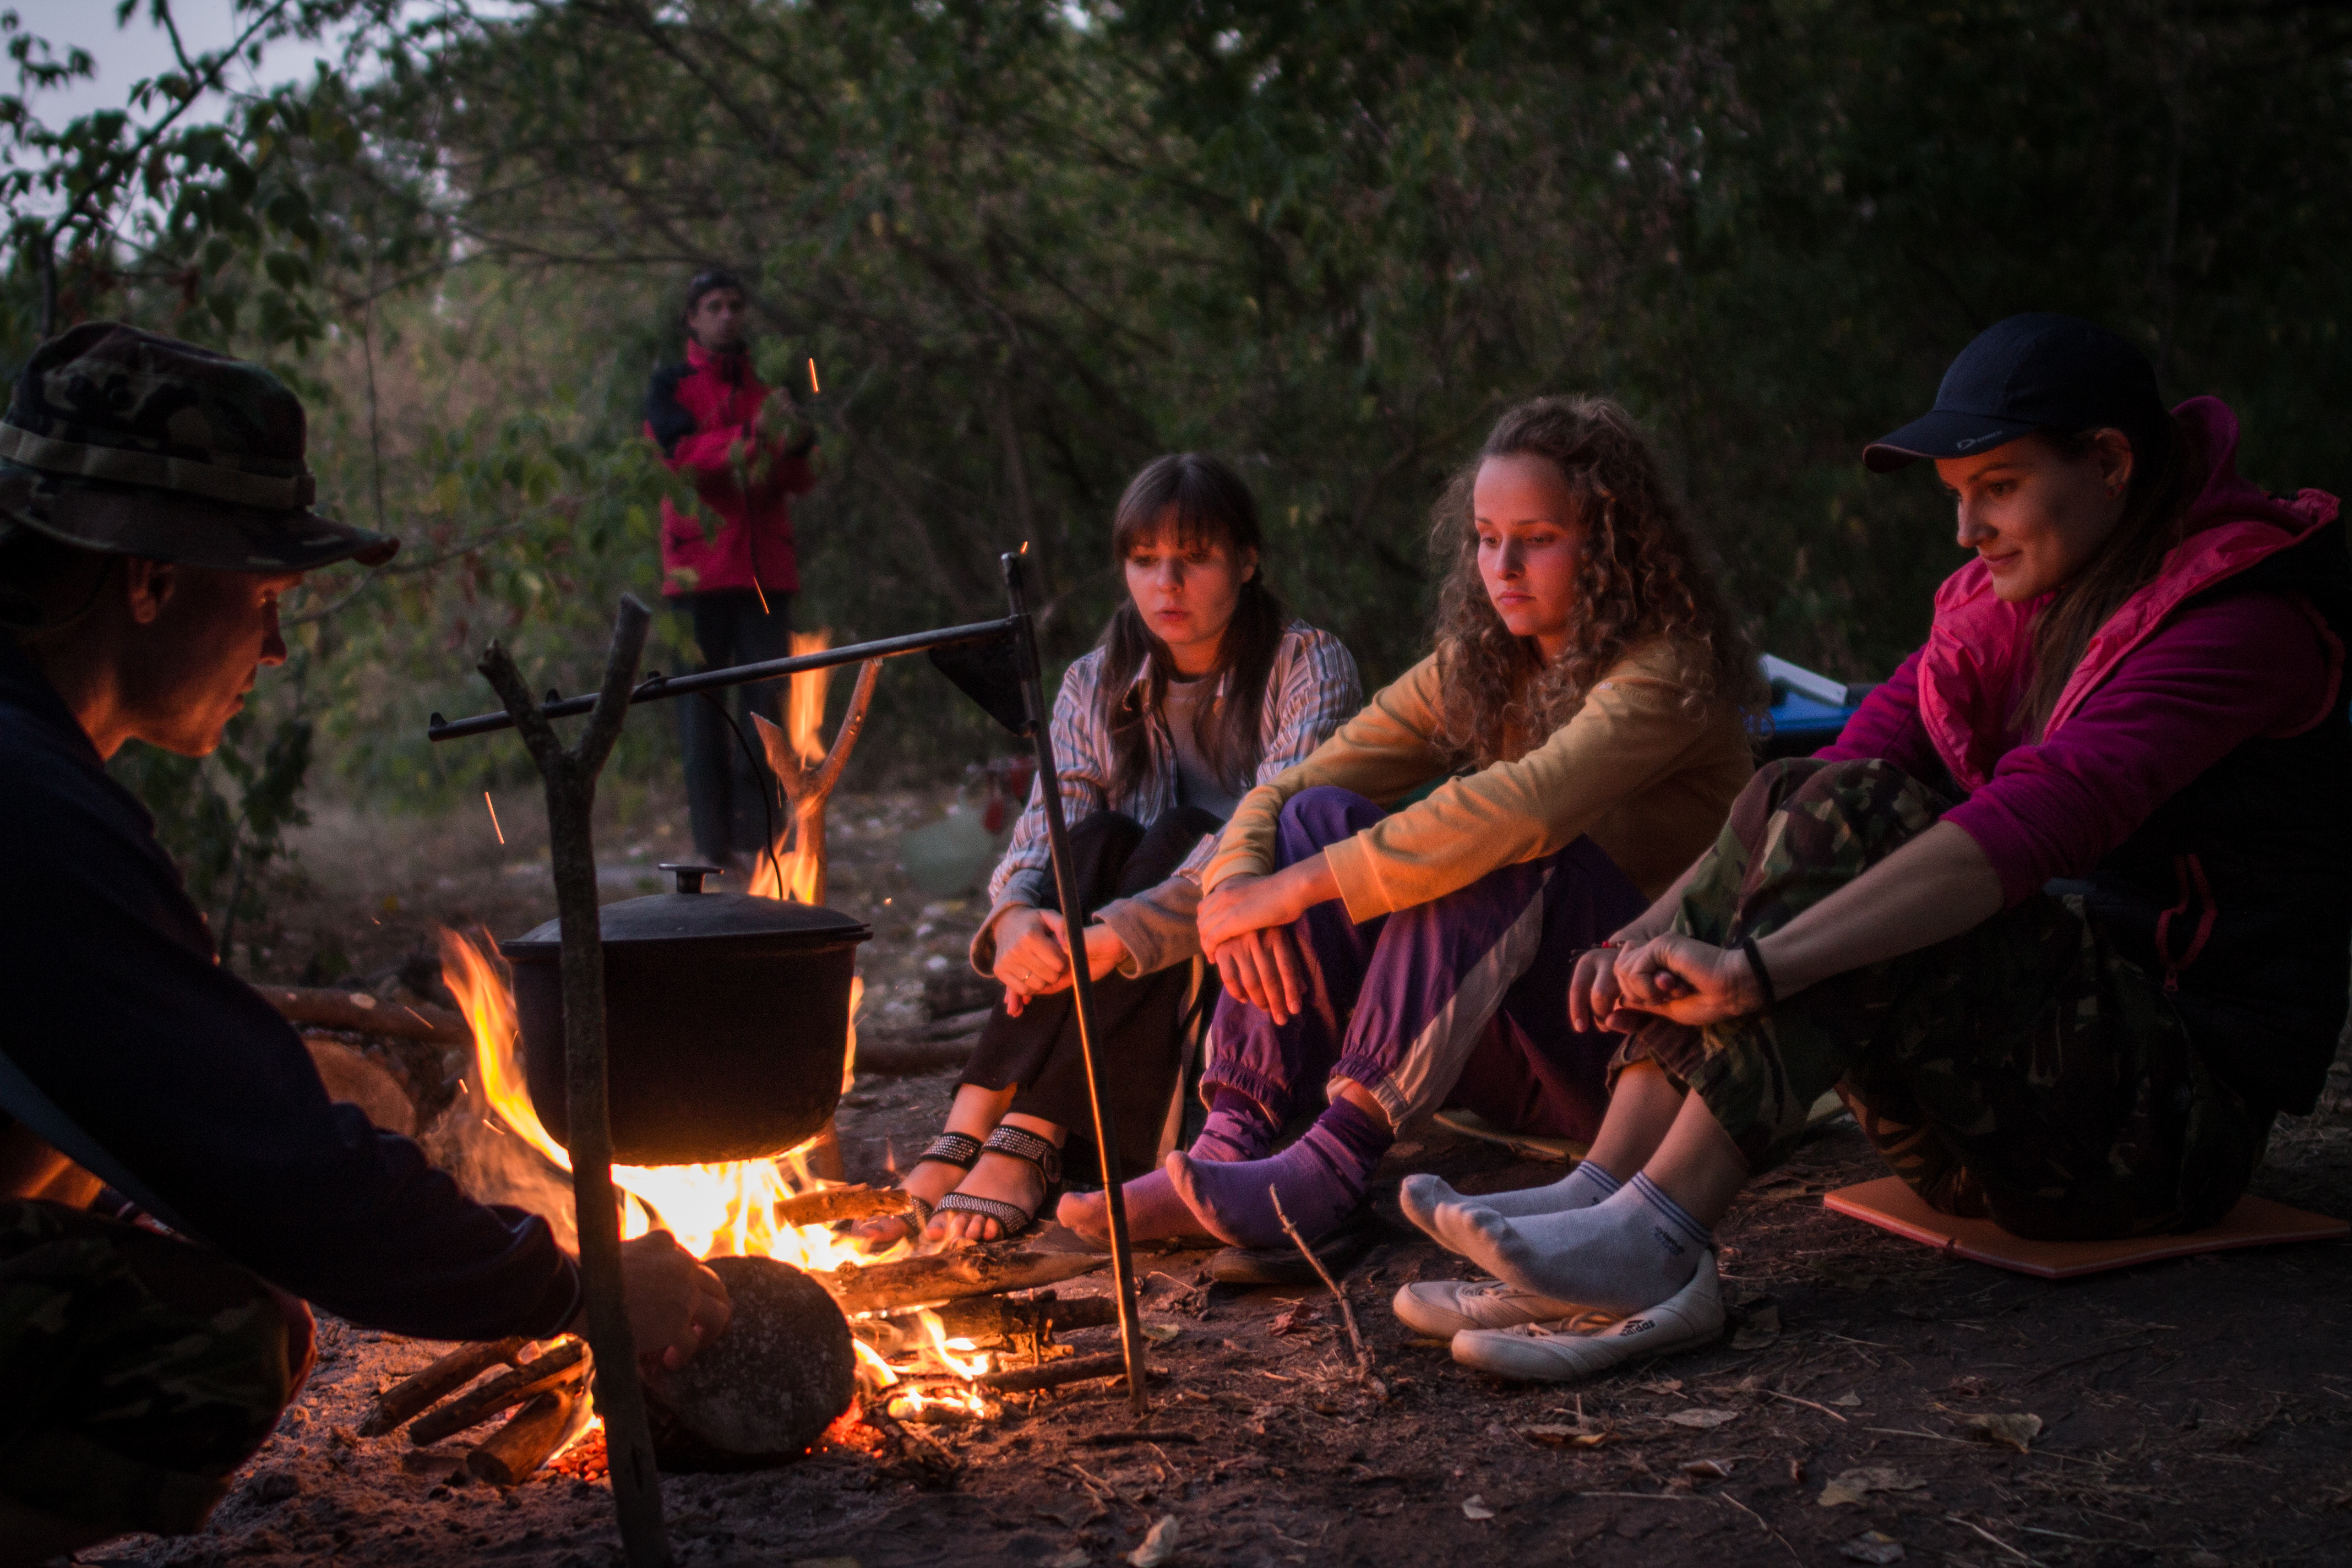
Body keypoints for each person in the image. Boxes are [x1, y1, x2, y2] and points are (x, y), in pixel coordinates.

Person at [1400, 314, 2351, 1382]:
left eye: (1996, 486)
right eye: (1956, 493)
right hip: (2011, 1121)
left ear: (2111, 463)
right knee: (1805, 789)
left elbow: (2039, 820)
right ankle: (1606, 1194)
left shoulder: (2242, 622)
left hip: (2167, 1135)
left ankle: (1659, 1231)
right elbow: (1817, 784)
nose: (1965, 528)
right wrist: (1650, 929)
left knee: (1862, 822)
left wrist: (1760, 966)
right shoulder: (2014, 609)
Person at [0, 323, 731, 1562]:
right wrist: (581, 1280)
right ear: (152, 578)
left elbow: (153, 1098)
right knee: (218, 1337)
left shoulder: (35, 764)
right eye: (270, 598)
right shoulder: (25, 801)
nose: (276, 648)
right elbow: (284, 1175)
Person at [1060, 396, 1758, 1257]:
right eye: (1485, 536)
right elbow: (1291, 789)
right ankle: (1233, 1138)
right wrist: (1238, 888)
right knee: (1317, 816)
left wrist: (1290, 888)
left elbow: (1525, 811)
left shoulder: (1669, 672)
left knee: (1498, 846)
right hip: (1510, 1047)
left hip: (1635, 1052)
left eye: (1537, 538)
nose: (1502, 565)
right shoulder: (1487, 662)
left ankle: (1334, 1160)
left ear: (1611, 546)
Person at [853, 454, 1360, 1249]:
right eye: (1145, 560)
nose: (1168, 584)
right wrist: (1017, 918)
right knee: (1096, 837)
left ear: (1247, 560)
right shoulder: (1098, 677)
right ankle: (972, 1124)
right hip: (1107, 970)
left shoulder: (1307, 663)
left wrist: (1113, 936)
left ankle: (1029, 1132)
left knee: (1182, 835)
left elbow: (1264, 833)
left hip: (1236, 957)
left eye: (1193, 559)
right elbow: (1049, 828)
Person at [644, 267, 820, 872]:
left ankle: (760, 842)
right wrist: (752, 435)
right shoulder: (669, 388)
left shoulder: (767, 391)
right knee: (701, 715)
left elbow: (799, 478)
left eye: (735, 305)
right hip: (697, 573)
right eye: (714, 306)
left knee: (766, 712)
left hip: (765, 571)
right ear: (692, 317)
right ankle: (711, 847)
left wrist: (793, 442)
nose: (727, 315)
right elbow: (680, 461)